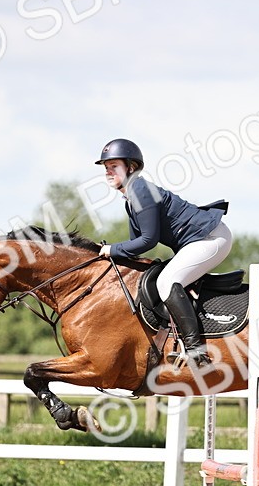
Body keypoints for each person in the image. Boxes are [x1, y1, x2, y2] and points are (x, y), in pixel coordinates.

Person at [95, 138, 232, 367]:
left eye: (114, 166)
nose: (109, 172)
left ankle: (195, 350)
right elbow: (135, 243)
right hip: (197, 241)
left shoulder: (140, 189)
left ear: (130, 167)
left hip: (211, 238)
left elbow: (148, 241)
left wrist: (111, 249)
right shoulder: (130, 197)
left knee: (167, 281)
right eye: (106, 168)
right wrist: (116, 253)